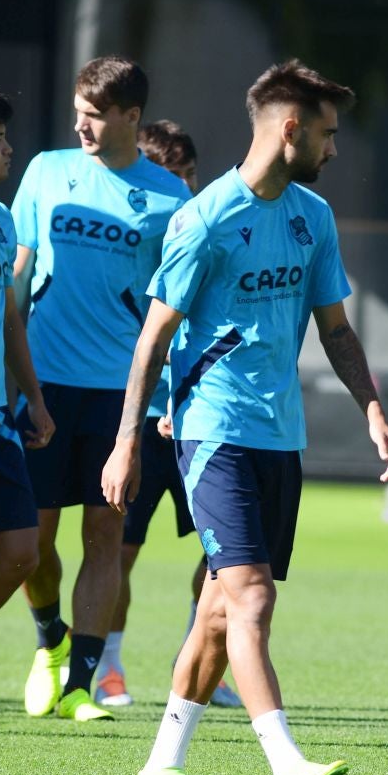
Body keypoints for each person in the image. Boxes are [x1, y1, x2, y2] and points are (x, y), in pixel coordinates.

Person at [100, 59, 388, 775]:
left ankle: (161, 765)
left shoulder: (313, 217)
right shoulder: (204, 220)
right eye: (327, 134)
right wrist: (128, 440)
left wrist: (370, 408)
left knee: (217, 613)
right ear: (290, 130)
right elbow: (153, 338)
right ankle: (287, 763)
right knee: (252, 599)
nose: (334, 149)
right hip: (213, 433)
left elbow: (336, 329)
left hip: (279, 438)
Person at [12, 56, 191, 722]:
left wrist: (170, 396)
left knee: (104, 534)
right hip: (43, 385)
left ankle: (82, 684)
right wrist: (4, 378)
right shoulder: (46, 171)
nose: (81, 126)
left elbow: (177, 308)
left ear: (131, 117)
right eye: (77, 113)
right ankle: (50, 640)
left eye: (94, 115)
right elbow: (17, 276)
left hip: (121, 395)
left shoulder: (171, 198)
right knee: (31, 543)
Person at [93, 119, 240, 710]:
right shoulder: (139, 241)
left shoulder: (208, 235)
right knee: (120, 549)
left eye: (191, 176)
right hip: (144, 423)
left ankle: (198, 662)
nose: (184, 189)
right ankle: (108, 667)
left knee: (224, 554)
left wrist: (187, 400)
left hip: (198, 418)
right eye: (173, 176)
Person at [0, 87, 55, 735]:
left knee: (22, 553)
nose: (9, 148)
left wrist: (34, 397)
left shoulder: (0, 221)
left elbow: (7, 319)